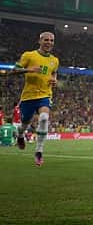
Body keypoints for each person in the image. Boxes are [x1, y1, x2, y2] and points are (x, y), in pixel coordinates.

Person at [8, 32, 59, 166]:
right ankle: (20, 136)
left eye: (52, 40)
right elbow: (14, 70)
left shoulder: (55, 60)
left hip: (45, 95)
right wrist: (29, 70)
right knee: (24, 123)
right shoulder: (29, 55)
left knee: (43, 118)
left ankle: (39, 151)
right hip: (28, 97)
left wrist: (54, 80)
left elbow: (54, 72)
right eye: (46, 40)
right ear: (40, 41)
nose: (49, 42)